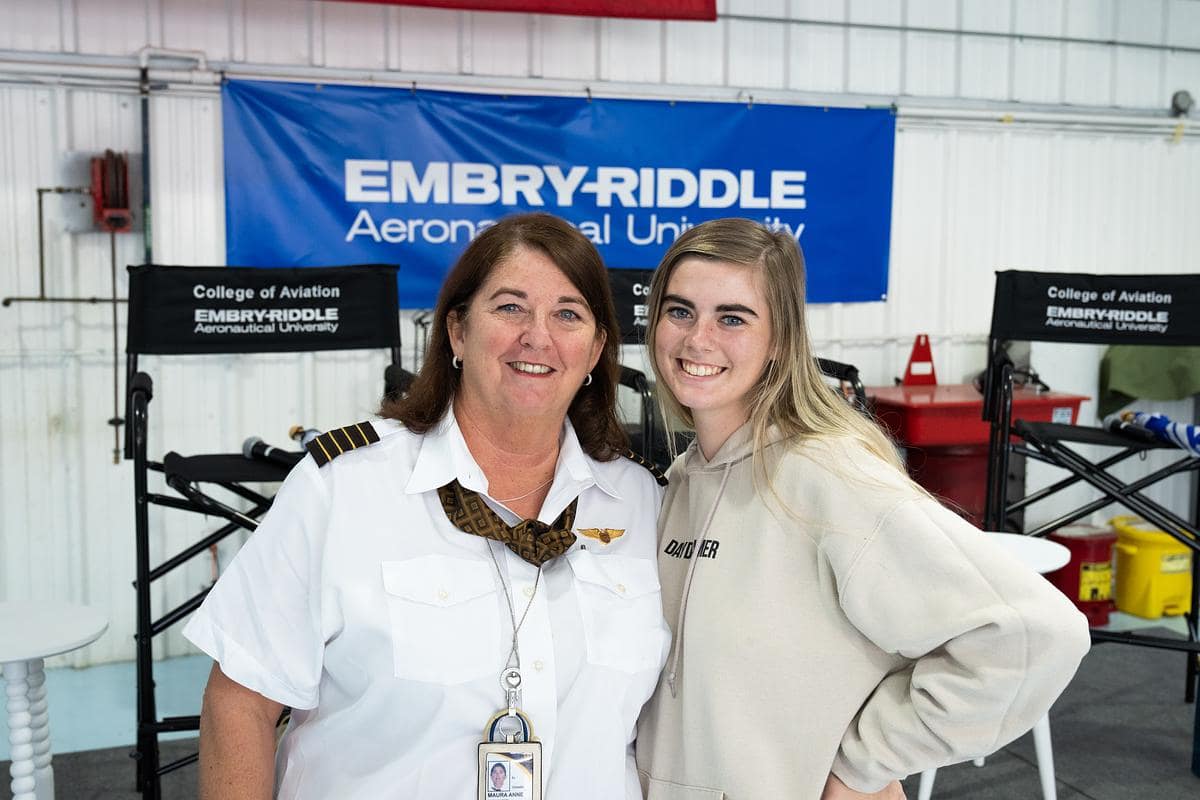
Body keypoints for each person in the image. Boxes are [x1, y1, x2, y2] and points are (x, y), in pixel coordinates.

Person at [184, 212, 670, 799]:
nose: (537, 336)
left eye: (568, 314)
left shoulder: (640, 502)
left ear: (595, 350)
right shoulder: (344, 487)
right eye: (509, 307)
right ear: (457, 332)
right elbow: (240, 700)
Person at [634, 218, 1091, 800]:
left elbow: (1030, 633)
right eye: (679, 311)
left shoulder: (826, 474)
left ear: (780, 339)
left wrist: (862, 766)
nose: (698, 339)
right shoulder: (678, 487)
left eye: (732, 317)